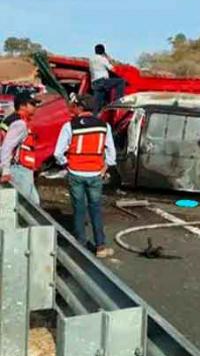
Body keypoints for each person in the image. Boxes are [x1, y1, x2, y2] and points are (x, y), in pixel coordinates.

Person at [54, 95, 116, 258]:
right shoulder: (104, 126)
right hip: (95, 173)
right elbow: (111, 152)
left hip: (75, 172)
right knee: (95, 209)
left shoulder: (70, 126)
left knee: (79, 209)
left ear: (80, 107)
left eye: (74, 105)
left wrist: (67, 163)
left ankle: (80, 246)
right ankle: (100, 247)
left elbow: (57, 153)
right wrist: (105, 166)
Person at [0, 93, 42, 204]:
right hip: (19, 169)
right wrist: (6, 171)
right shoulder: (20, 124)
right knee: (24, 205)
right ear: (22, 106)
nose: (35, 107)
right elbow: (7, 147)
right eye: (32, 104)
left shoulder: (11, 119)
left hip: (21, 169)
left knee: (34, 203)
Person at [90, 44, 125, 112]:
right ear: (103, 51)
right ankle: (118, 101)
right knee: (121, 81)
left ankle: (95, 116)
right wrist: (108, 58)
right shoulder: (102, 59)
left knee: (97, 104)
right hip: (102, 81)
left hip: (95, 83)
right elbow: (113, 69)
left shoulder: (91, 59)